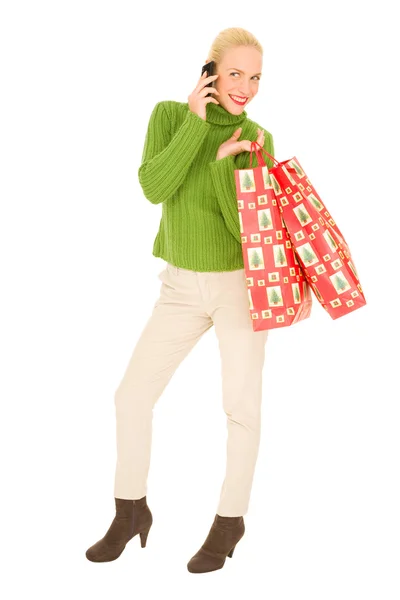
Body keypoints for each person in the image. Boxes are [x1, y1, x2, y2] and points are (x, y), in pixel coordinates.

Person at [85, 26, 275, 574]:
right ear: (209, 72)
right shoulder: (170, 116)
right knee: (130, 397)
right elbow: (154, 186)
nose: (246, 87)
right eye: (236, 73)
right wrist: (196, 129)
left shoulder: (258, 137)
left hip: (238, 286)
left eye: (256, 77)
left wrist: (224, 164)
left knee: (241, 408)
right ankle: (130, 510)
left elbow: (250, 236)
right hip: (178, 286)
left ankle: (229, 520)